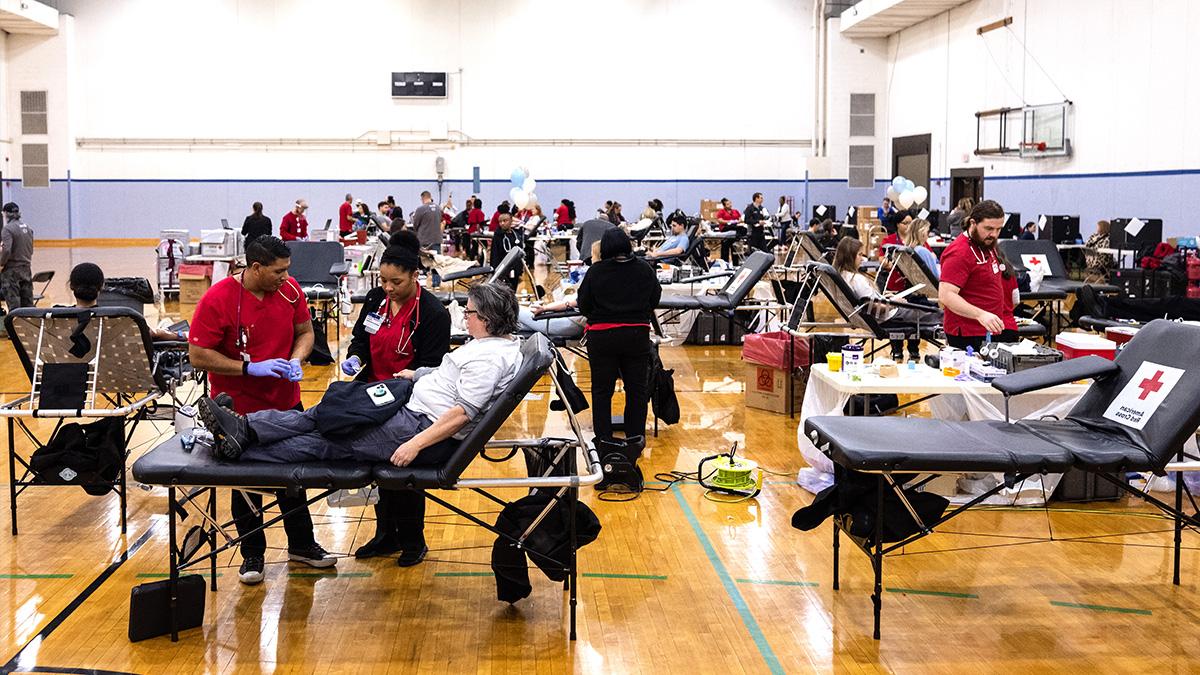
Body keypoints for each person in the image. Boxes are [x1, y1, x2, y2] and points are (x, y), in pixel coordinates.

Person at [197, 282, 523, 468]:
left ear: (487, 318)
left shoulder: (490, 360)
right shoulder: (487, 345)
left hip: (419, 426)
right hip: (409, 402)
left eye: (468, 312)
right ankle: (244, 426)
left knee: (328, 441)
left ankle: (239, 450)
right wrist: (417, 374)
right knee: (327, 413)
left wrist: (414, 445)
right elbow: (450, 375)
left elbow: (461, 415)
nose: (464, 318)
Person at [187, 235, 332, 584]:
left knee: (294, 477)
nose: (286, 276)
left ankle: (302, 544)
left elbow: (305, 331)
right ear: (255, 267)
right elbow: (199, 355)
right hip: (240, 409)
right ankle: (252, 554)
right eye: (278, 270)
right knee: (246, 484)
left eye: (287, 270)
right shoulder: (218, 299)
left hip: (286, 402)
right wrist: (248, 368)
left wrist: (297, 359)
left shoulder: (290, 290)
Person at [340, 232, 451, 565]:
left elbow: (433, 364)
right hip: (373, 390)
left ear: (415, 276)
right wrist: (357, 358)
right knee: (376, 467)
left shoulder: (432, 313)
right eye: (383, 280)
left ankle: (413, 541)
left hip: (410, 399)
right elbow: (361, 337)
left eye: (396, 282)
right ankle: (385, 535)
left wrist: (410, 375)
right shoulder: (376, 299)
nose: (388, 288)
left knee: (405, 468)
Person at [577, 229, 661, 452]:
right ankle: (635, 439)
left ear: (604, 248)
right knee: (637, 390)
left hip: (602, 337)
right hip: (636, 336)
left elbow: (583, 304)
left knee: (602, 391)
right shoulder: (644, 268)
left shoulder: (596, 271)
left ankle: (603, 440)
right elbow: (655, 298)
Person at [833, 237, 938, 362]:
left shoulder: (843, 276)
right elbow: (874, 307)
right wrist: (895, 303)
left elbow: (869, 302)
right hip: (890, 317)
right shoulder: (857, 279)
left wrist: (884, 298)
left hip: (883, 315)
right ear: (850, 256)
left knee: (916, 302)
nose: (863, 258)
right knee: (932, 312)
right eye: (860, 255)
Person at [937, 199, 1018, 350]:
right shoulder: (959, 252)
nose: (994, 234)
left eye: (998, 229)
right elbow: (946, 295)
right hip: (968, 333)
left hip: (990, 329)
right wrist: (980, 314)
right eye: (988, 228)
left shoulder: (986, 243)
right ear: (973, 223)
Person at [67, 263, 185, 341]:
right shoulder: (124, 320)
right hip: (119, 374)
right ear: (101, 287)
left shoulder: (54, 318)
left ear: (71, 286)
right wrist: (180, 335)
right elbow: (153, 334)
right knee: (166, 322)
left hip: (71, 374)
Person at [0, 202, 34, 316]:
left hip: (12, 271)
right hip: (26, 269)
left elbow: (7, 250)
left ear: (5, 214)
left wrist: (1, 263)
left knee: (14, 306)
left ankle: (14, 331)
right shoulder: (28, 228)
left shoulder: (7, 229)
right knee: (28, 306)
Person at [877, 215, 913, 292]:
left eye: (911, 223)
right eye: (905, 223)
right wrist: (888, 264)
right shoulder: (889, 240)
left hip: (913, 282)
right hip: (894, 283)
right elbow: (881, 258)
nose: (908, 226)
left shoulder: (915, 239)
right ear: (897, 224)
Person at [490, 212, 524, 291]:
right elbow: (494, 254)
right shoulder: (497, 236)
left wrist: (520, 269)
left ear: (511, 221)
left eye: (505, 221)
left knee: (513, 289)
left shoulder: (516, 234)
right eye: (500, 221)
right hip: (503, 269)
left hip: (515, 269)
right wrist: (495, 270)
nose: (502, 223)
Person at [714, 197, 743, 262]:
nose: (730, 205)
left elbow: (740, 219)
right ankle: (724, 262)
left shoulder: (735, 211)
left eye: (730, 203)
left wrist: (737, 221)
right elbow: (720, 220)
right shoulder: (721, 212)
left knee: (742, 229)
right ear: (724, 205)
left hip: (735, 226)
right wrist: (729, 221)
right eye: (728, 204)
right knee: (725, 249)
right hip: (725, 227)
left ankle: (736, 263)